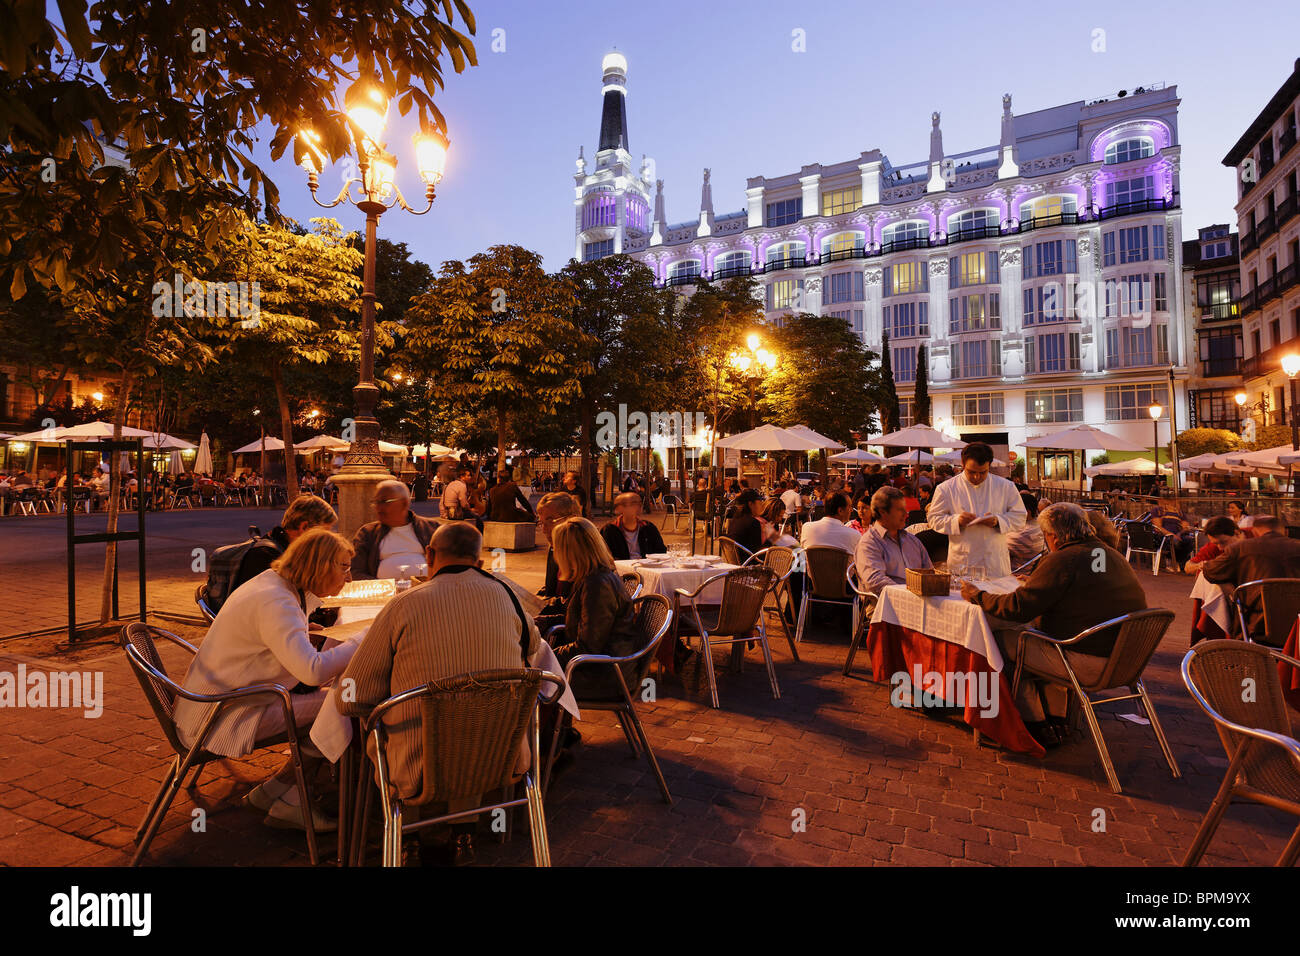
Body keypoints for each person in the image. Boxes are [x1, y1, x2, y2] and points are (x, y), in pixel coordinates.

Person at [338, 522, 539, 865]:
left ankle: (408, 836)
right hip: (501, 758)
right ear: (478, 559)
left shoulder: (403, 605)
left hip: (416, 768)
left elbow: (352, 696)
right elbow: (532, 645)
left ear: (429, 555)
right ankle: (464, 833)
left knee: (399, 721)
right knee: (476, 718)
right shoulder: (507, 595)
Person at [174, 529, 360, 830]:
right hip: (223, 715)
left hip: (218, 700)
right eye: (344, 567)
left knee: (332, 698)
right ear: (321, 565)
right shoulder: (277, 600)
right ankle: (294, 802)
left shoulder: (277, 585)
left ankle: (274, 790)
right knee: (342, 703)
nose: (348, 578)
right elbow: (311, 671)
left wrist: (309, 632)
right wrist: (359, 641)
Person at [961, 503, 1146, 745]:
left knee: (1000, 641)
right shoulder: (1106, 553)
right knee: (1037, 637)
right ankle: (1057, 719)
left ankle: (1033, 724)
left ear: (1054, 536)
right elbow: (1088, 583)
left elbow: (1018, 608)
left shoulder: (1064, 558)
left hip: (1087, 660)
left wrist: (977, 595)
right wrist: (1042, 581)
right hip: (1125, 660)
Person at [551, 517, 644, 697]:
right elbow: (584, 620)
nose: (555, 556)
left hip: (605, 674)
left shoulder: (597, 585)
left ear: (570, 553)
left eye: (557, 549)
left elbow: (588, 646)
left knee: (531, 680)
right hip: (604, 666)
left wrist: (546, 656)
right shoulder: (595, 577)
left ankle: (553, 725)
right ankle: (557, 725)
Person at [211, 494, 339, 614]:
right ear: (304, 527)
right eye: (325, 532)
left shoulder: (282, 547)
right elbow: (270, 610)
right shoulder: (266, 556)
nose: (327, 538)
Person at [926, 442, 1026, 579]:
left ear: (989, 466)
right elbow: (933, 519)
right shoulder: (946, 488)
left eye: (982, 472)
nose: (976, 477)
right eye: (971, 472)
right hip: (962, 562)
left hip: (995, 562)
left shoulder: (1006, 486)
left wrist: (998, 521)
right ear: (962, 463)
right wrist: (957, 520)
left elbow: (1020, 517)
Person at [1203, 514, 1300, 641]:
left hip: (1255, 624)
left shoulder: (1241, 548)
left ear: (1254, 531)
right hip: (1296, 625)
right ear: (1285, 532)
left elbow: (1210, 571)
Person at [351, 479, 440, 579]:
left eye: (385, 502)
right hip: (384, 593)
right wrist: (385, 587)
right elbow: (355, 572)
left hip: (427, 591)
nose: (378, 508)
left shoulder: (432, 528)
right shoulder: (367, 534)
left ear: (404, 504)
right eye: (376, 502)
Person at [854, 485, 933, 593]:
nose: (905, 514)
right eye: (899, 510)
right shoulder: (869, 543)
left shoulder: (913, 540)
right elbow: (875, 582)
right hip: (884, 605)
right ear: (882, 512)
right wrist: (909, 594)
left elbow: (929, 573)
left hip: (918, 601)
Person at [535, 491, 583, 631]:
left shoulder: (583, 556)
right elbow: (553, 591)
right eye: (541, 523)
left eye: (550, 520)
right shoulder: (554, 549)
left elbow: (579, 614)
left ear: (572, 519)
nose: (544, 529)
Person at [600, 491, 667, 560]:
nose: (639, 506)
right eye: (634, 503)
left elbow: (661, 552)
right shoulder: (610, 530)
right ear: (619, 508)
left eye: (640, 502)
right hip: (621, 568)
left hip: (647, 568)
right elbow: (604, 557)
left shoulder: (648, 527)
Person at [1005, 492, 1045, 569]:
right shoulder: (1041, 525)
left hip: (1016, 575)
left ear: (1027, 512)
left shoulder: (1020, 535)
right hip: (1032, 571)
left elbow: (996, 552)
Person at [726, 489, 765, 557]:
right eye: (759, 503)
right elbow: (756, 551)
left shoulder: (735, 519)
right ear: (750, 504)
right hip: (748, 562)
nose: (762, 506)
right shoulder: (753, 522)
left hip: (735, 559)